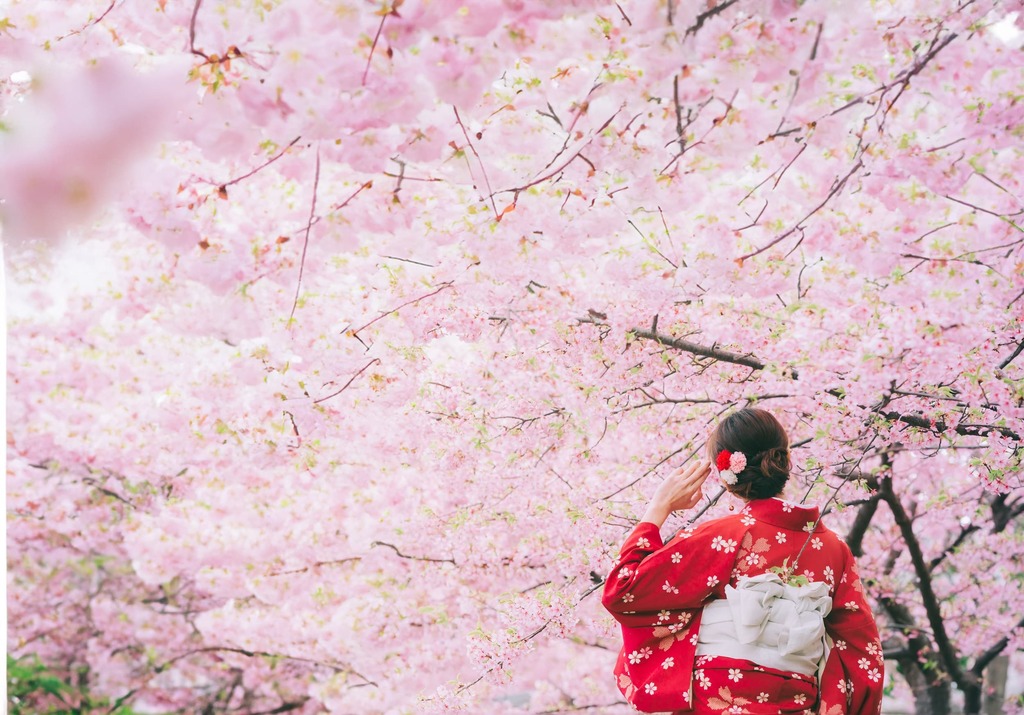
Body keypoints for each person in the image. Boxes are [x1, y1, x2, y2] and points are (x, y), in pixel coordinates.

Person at [601, 408, 884, 715]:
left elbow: (623, 591)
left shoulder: (720, 537)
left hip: (715, 702)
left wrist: (658, 508)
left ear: (725, 474)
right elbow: (862, 656)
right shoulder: (834, 549)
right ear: (785, 460)